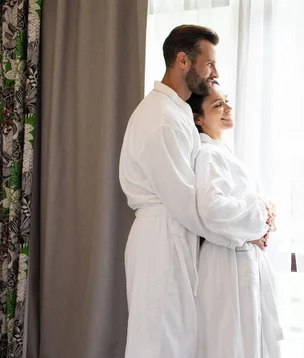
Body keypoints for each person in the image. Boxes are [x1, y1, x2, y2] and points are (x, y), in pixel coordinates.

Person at [119, 25, 257, 358]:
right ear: (183, 61)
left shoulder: (175, 112)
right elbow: (188, 204)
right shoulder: (162, 118)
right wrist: (247, 232)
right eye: (209, 64)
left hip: (171, 237)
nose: (215, 74)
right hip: (162, 241)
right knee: (160, 341)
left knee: (174, 338)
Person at [187, 82, 283, 358]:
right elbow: (212, 208)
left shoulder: (223, 153)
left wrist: (266, 218)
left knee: (246, 341)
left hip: (241, 261)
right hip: (226, 265)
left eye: (226, 101)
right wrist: (260, 216)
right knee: (228, 344)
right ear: (198, 118)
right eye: (218, 105)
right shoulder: (208, 156)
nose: (228, 108)